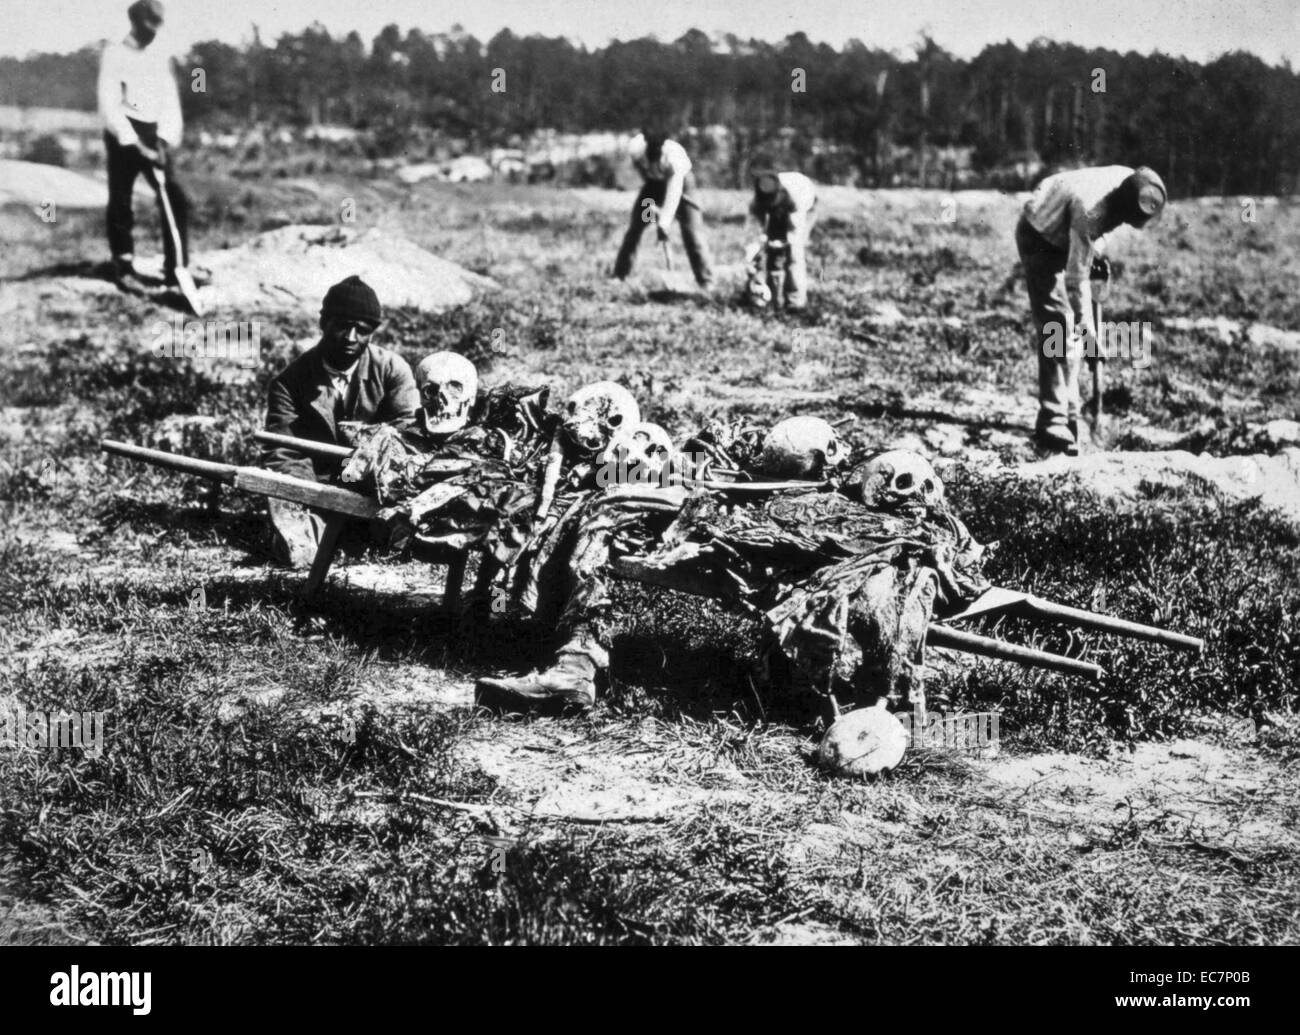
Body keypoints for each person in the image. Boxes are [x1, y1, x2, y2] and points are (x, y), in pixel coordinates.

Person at [262, 276, 419, 567]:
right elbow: (284, 454)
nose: (350, 337)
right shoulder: (290, 382)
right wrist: (321, 499)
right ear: (324, 323)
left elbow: (409, 436)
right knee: (297, 550)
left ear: (373, 332)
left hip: (376, 489)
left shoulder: (392, 371)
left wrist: (368, 478)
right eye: (342, 325)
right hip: (318, 491)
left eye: (362, 329)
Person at [1015, 165, 1166, 452]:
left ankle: (1073, 413)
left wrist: (1095, 251)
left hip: (1070, 226)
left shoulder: (1131, 181)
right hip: (1040, 234)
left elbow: (1101, 227)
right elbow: (1075, 281)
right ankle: (1054, 419)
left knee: (1068, 330)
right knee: (1057, 327)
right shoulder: (1091, 211)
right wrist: (1090, 336)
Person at [97, 0, 191, 289]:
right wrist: (135, 144)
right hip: (123, 132)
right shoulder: (115, 54)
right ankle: (123, 264)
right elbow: (109, 104)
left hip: (154, 131)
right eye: (150, 23)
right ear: (135, 21)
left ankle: (176, 268)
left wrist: (162, 141)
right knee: (121, 200)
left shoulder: (159, 55)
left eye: (158, 24)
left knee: (175, 198)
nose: (154, 30)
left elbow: (170, 101)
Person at [613, 130, 714, 289]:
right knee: (636, 228)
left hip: (682, 188)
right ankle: (619, 275)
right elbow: (626, 179)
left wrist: (664, 222)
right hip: (652, 188)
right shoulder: (636, 150)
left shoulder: (673, 157)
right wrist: (651, 209)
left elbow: (673, 193)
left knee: (691, 231)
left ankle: (706, 281)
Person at [750, 170, 818, 311]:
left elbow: (795, 231)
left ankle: (795, 302)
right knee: (773, 257)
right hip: (782, 209)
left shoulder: (796, 197)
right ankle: (773, 300)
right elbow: (754, 230)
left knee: (794, 256)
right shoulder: (757, 201)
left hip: (804, 208)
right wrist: (755, 251)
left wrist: (784, 242)